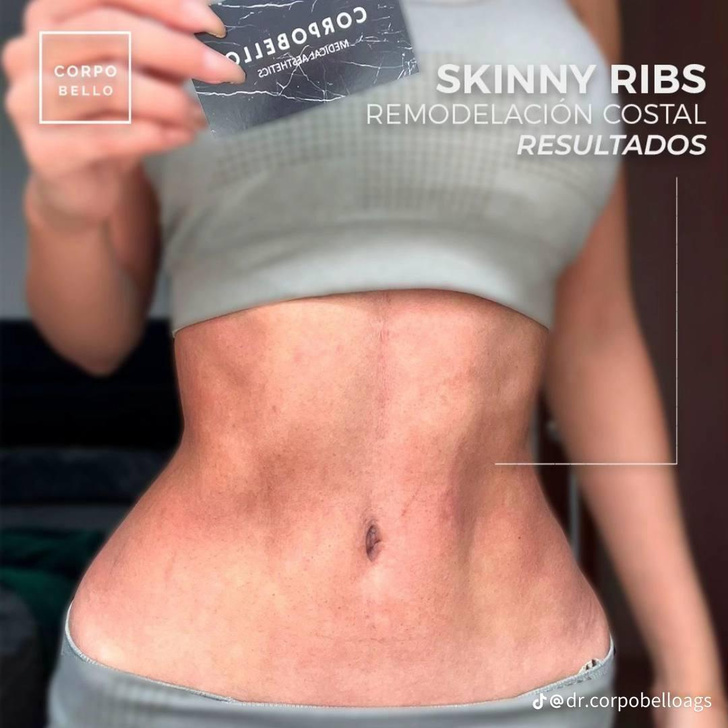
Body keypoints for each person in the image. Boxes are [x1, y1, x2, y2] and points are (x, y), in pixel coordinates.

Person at [3, 0, 726, 725]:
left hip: (528, 677)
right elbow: (98, 338)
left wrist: (690, 672)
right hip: (176, 671)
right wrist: (61, 210)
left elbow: (594, 334)